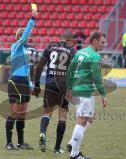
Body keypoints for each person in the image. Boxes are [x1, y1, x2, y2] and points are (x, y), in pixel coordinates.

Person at [65, 31, 108, 159]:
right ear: (94, 41)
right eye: (102, 42)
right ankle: (74, 154)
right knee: (82, 121)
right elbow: (96, 77)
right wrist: (104, 94)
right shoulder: (95, 56)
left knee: (89, 118)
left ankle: (72, 143)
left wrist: (69, 88)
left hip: (76, 90)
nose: (104, 45)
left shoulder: (79, 52)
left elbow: (70, 71)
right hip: (85, 91)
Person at [34, 30, 76, 153]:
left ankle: (42, 133)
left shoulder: (50, 47)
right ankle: (57, 148)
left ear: (60, 38)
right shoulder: (73, 51)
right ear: (70, 40)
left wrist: (36, 84)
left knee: (47, 112)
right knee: (62, 115)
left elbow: (39, 66)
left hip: (50, 83)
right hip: (64, 85)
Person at [5, 10, 37, 150]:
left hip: (24, 82)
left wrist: (30, 84)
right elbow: (24, 37)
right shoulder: (16, 47)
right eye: (26, 36)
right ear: (19, 37)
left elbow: (27, 69)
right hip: (15, 82)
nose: (28, 38)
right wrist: (32, 19)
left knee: (23, 113)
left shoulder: (24, 51)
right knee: (14, 112)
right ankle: (8, 143)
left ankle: (20, 142)